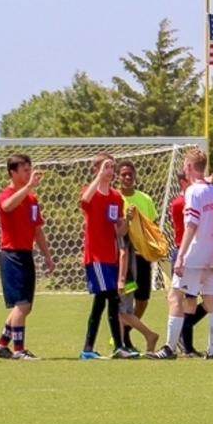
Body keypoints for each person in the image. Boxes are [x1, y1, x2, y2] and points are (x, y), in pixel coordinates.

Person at [0, 154, 55, 361]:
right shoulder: (5, 195)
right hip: (11, 254)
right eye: (25, 170)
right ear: (13, 172)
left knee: (25, 306)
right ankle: (18, 350)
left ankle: (1, 345)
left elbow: (37, 230)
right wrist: (27, 187)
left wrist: (47, 256)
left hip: (26, 254)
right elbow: (7, 206)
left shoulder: (32, 199)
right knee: (22, 305)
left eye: (30, 169)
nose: (29, 173)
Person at [162, 147, 213, 359]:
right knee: (211, 300)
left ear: (188, 167)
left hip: (195, 253)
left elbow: (192, 225)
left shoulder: (191, 191)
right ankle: (212, 350)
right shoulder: (212, 190)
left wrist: (180, 256)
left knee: (175, 296)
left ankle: (169, 347)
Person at [79, 153, 133, 359]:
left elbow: (119, 231)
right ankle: (118, 347)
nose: (109, 171)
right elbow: (84, 200)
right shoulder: (89, 192)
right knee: (111, 296)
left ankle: (88, 348)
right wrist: (98, 178)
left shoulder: (116, 197)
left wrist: (127, 220)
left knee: (102, 301)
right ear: (96, 170)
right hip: (96, 256)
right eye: (105, 167)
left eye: (111, 167)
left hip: (110, 256)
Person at [116, 160, 158, 351]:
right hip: (124, 255)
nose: (127, 177)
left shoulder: (145, 199)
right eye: (123, 174)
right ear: (118, 177)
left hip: (143, 255)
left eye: (130, 174)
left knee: (142, 301)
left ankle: (125, 334)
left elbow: (153, 227)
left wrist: (154, 248)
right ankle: (124, 341)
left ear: (135, 176)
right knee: (125, 299)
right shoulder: (116, 198)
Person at [169, 169, 206, 356]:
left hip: (197, 253)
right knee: (184, 299)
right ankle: (182, 345)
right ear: (184, 182)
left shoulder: (193, 198)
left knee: (198, 300)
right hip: (183, 253)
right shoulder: (179, 203)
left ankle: (185, 342)